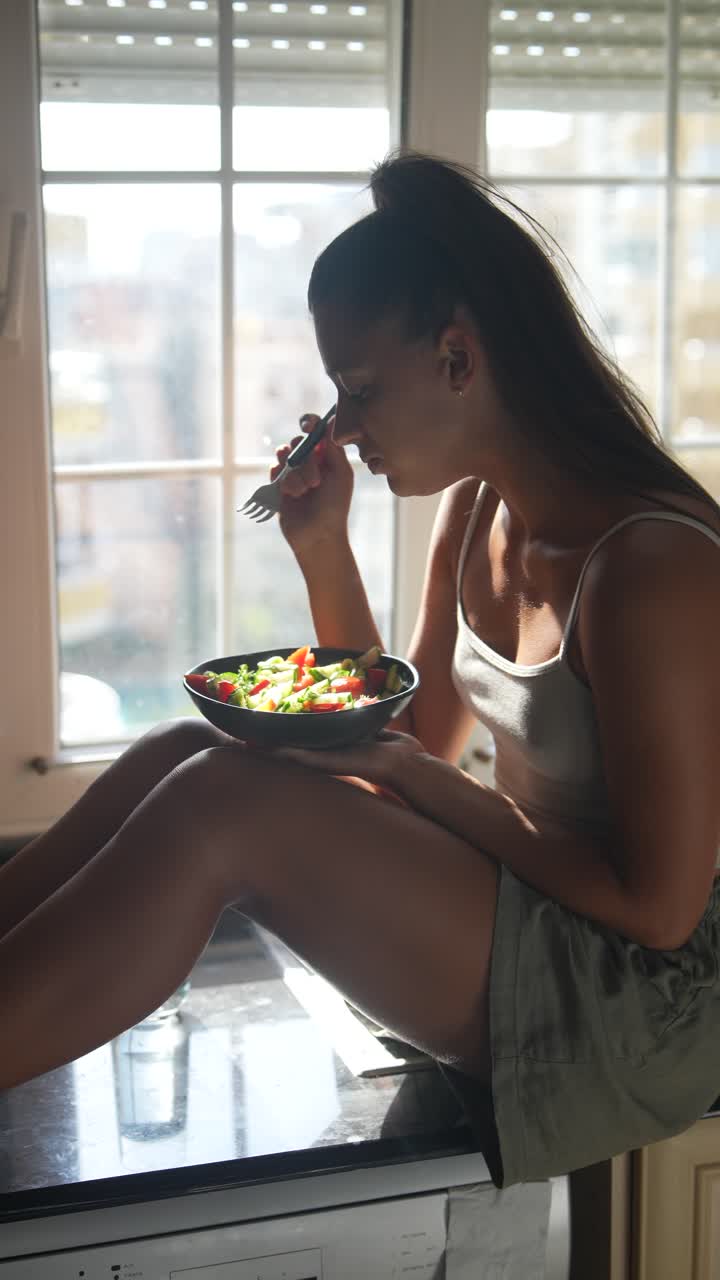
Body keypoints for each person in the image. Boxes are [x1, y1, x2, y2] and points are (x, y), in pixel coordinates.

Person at [1, 151, 719, 1190]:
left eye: (359, 388)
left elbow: (657, 905)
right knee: (191, 740)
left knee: (223, 805)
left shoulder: (653, 568)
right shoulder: (478, 513)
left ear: (460, 357)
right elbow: (413, 739)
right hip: (540, 908)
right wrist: (322, 548)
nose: (338, 425)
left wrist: (423, 782)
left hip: (650, 991)